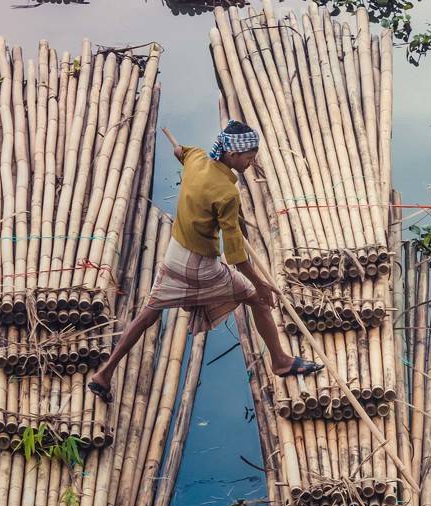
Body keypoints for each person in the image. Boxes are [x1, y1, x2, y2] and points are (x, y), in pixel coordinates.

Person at [85, 120, 322, 402]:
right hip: (200, 267)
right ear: (232, 154)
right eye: (249, 157)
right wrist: (261, 285)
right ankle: (280, 361)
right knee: (257, 300)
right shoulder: (227, 193)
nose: (251, 162)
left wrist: (180, 154)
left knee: (149, 313)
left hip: (174, 256)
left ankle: (104, 375)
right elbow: (236, 257)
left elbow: (181, 152)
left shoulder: (196, 159)